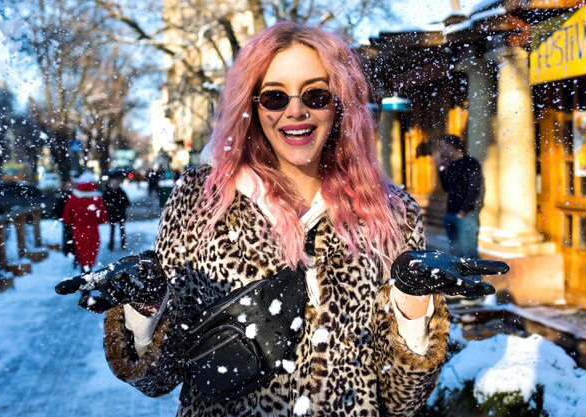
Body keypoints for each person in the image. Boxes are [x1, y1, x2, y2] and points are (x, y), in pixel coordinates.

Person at [57, 23, 507, 416]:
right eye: (275, 96)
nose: (295, 111)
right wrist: (145, 307)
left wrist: (412, 304)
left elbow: (400, 402)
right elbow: (157, 380)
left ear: (341, 105)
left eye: (315, 94)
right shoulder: (202, 199)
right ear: (252, 106)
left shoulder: (391, 213)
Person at [435, 134, 485, 258]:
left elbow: (474, 189)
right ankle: (458, 278)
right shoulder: (452, 165)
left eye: (443, 146)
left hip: (465, 216)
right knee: (456, 255)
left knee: (470, 255)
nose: (442, 149)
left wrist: (463, 211)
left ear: (452, 146)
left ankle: (475, 278)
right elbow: (447, 187)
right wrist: (441, 169)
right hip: (450, 214)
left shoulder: (471, 163)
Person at [62, 172, 109, 274]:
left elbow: (66, 219)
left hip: (78, 233)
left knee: (82, 258)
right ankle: (87, 276)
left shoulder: (73, 199)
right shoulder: (97, 199)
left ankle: (83, 277)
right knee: (90, 259)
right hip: (93, 234)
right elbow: (103, 219)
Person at [102, 176, 130, 251]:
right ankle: (111, 245)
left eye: (116, 183)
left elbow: (127, 202)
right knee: (112, 231)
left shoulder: (122, 192)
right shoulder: (107, 192)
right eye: (113, 183)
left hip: (121, 215)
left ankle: (123, 244)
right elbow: (103, 204)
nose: (115, 184)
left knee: (122, 231)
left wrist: (122, 208)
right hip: (112, 215)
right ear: (110, 183)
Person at [53, 180, 75, 258]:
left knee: (73, 237)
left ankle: (73, 252)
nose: (68, 187)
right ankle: (67, 251)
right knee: (66, 236)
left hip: (74, 221)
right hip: (66, 221)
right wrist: (61, 217)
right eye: (67, 185)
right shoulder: (62, 196)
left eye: (70, 185)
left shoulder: (74, 196)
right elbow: (57, 208)